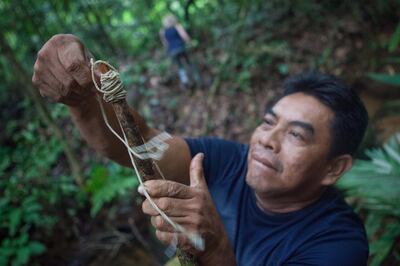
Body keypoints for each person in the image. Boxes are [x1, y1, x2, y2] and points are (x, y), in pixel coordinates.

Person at [32, 34, 369, 265]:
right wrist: (81, 100)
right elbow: (141, 143)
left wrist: (216, 248)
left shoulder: (339, 245)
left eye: (296, 135)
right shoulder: (225, 160)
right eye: (268, 122)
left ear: (334, 169)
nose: (268, 139)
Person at [160, 14, 195, 88]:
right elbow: (184, 36)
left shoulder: (163, 31)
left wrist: (168, 51)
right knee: (188, 62)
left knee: (180, 66)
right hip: (181, 48)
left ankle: (185, 81)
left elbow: (166, 44)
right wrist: (190, 42)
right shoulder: (177, 26)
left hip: (173, 51)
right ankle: (193, 77)